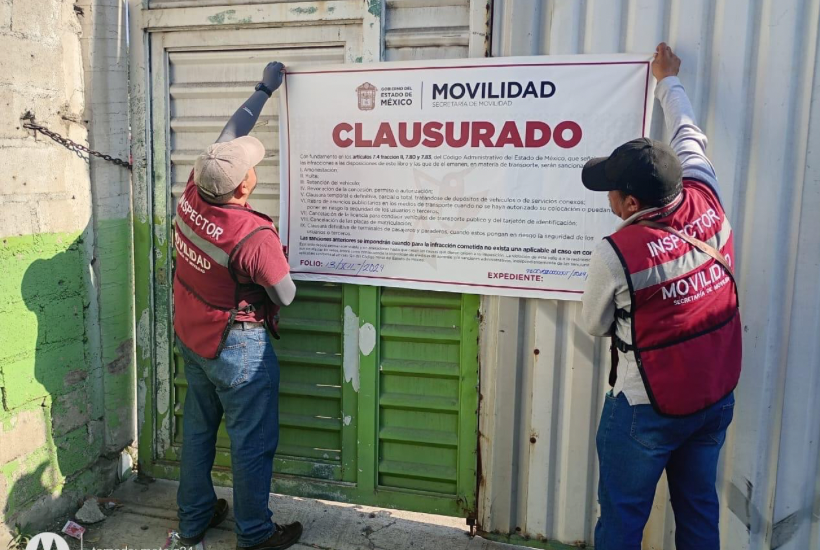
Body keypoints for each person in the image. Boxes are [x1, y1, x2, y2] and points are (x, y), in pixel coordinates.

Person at [580, 43, 742, 549]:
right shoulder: (703, 190)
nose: (607, 197)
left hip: (644, 407)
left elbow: (593, 324)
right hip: (713, 396)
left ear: (630, 202)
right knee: (698, 514)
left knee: (623, 522)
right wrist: (668, 79)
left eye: (610, 189)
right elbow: (689, 133)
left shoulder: (618, 252)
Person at [172, 61, 302, 550]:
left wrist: (262, 92)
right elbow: (285, 294)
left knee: (199, 431)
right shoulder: (252, 235)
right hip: (238, 349)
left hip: (194, 334)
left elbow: (228, 138)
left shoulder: (193, 193)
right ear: (245, 185)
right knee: (252, 443)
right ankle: (254, 534)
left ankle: (194, 519)